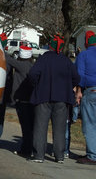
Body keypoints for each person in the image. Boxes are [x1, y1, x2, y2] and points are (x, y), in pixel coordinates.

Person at [27, 34, 80, 163]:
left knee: (40, 127)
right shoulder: (66, 61)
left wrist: (37, 85)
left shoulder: (43, 59)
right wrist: (67, 87)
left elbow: (32, 74)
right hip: (62, 99)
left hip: (43, 97)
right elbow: (76, 78)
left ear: (50, 46)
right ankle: (59, 156)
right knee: (60, 128)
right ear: (61, 48)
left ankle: (39, 155)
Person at [6, 45, 34, 157]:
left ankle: (26, 149)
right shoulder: (32, 66)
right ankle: (28, 147)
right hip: (30, 100)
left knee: (25, 127)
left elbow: (8, 60)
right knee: (30, 127)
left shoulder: (21, 65)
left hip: (22, 100)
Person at [75, 31, 96, 165]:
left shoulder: (84, 55)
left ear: (86, 42)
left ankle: (92, 155)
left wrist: (78, 90)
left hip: (91, 91)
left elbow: (80, 75)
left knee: (89, 123)